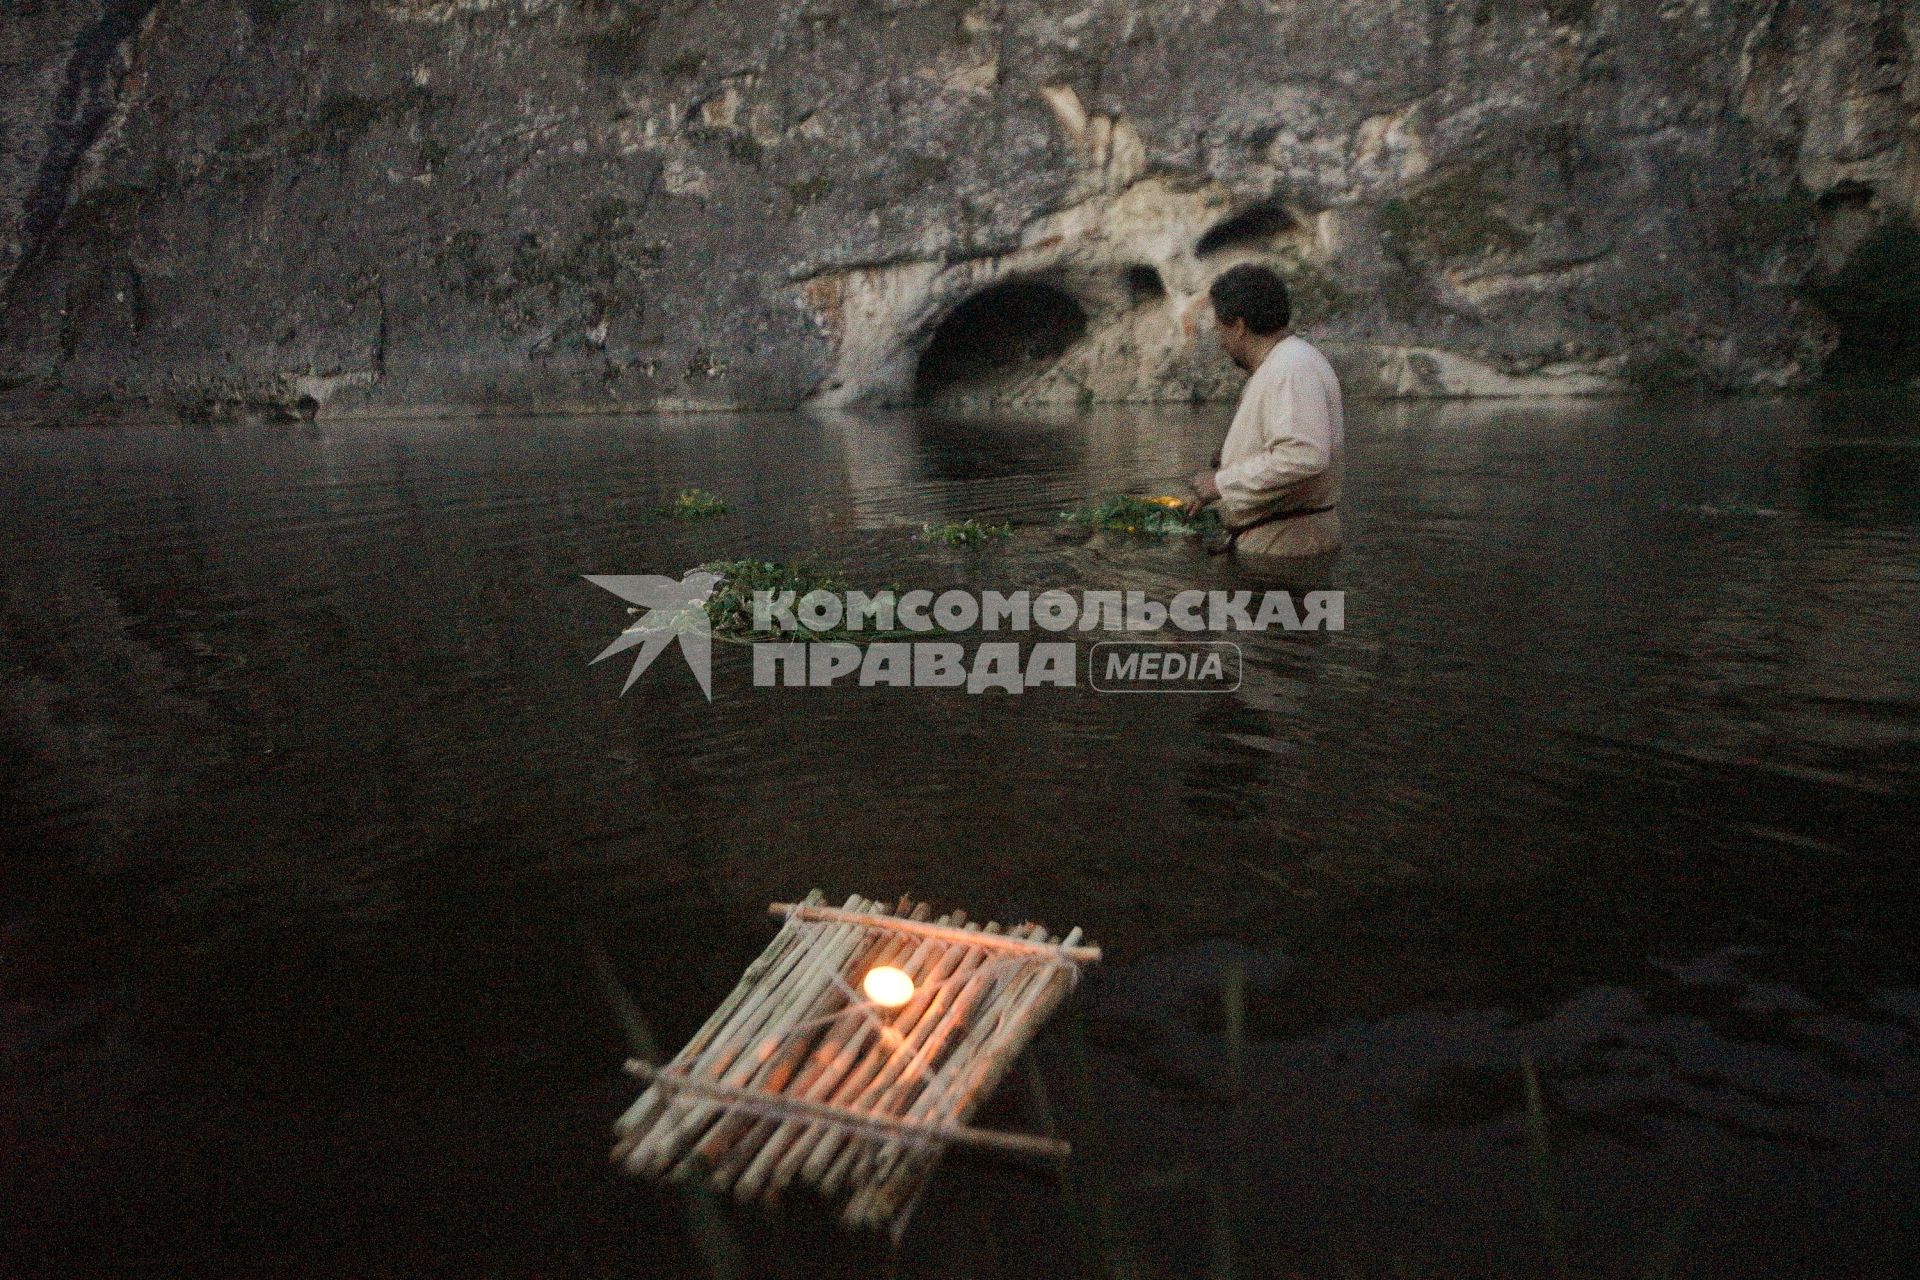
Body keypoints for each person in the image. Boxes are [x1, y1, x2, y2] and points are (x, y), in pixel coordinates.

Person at [1186, 264, 1343, 560]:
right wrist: (1227, 469)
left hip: (1286, 549)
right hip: (1278, 543)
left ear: (1239, 327)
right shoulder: (1283, 364)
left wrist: (1219, 484)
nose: (1220, 342)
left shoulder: (1291, 366)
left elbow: (1303, 456)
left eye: (1220, 329)